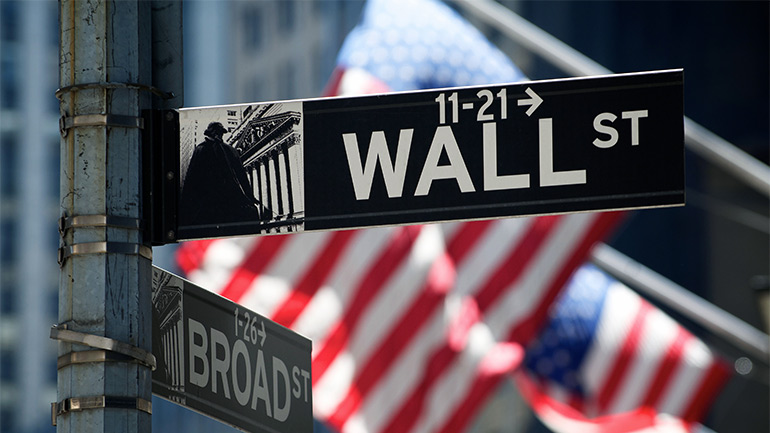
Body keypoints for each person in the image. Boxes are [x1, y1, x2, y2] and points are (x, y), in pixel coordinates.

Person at [179, 122, 265, 227]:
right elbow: (192, 179)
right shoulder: (201, 149)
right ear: (210, 133)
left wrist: (249, 196)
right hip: (209, 200)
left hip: (229, 199)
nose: (219, 135)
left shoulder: (230, 150)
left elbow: (241, 176)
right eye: (216, 132)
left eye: (220, 133)